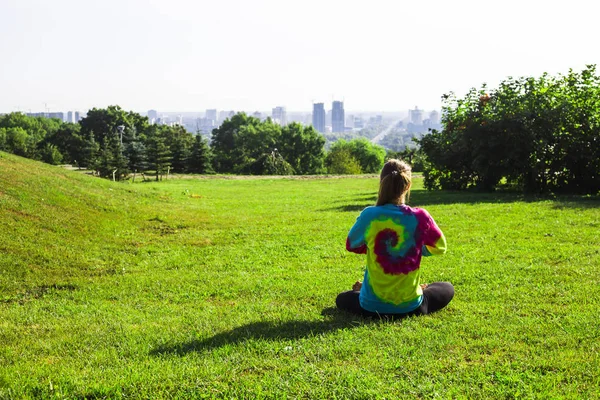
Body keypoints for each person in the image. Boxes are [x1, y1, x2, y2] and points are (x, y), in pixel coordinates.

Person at [336, 159, 454, 318]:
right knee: (447, 287)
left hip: (371, 308)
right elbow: (440, 247)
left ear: (381, 183)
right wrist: (413, 249)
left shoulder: (369, 215)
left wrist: (377, 248)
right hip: (412, 307)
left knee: (342, 298)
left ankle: (363, 289)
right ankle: (418, 289)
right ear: (408, 185)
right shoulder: (420, 216)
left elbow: (351, 244)